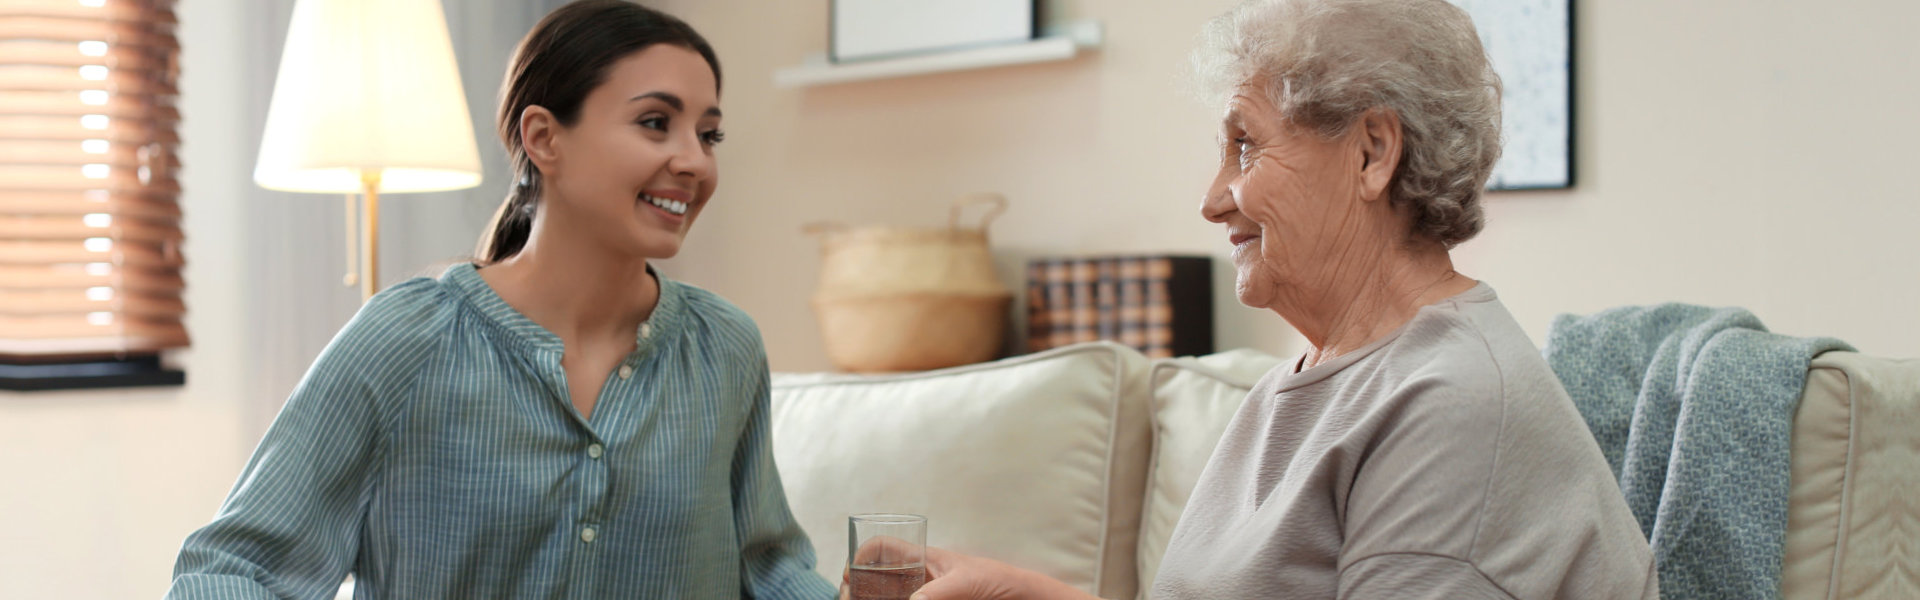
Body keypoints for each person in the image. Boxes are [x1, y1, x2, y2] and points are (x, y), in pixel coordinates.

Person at [909, 0, 1658, 598]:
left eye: (1245, 145)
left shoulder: (1451, 404)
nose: (1211, 201)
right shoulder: (1301, 385)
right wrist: (1020, 594)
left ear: (1372, 152)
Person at [166, 2, 836, 598]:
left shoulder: (724, 348)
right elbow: (234, 570)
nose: (694, 160)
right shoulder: (407, 340)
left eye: (708, 133)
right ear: (543, 138)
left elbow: (768, 570)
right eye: (656, 123)